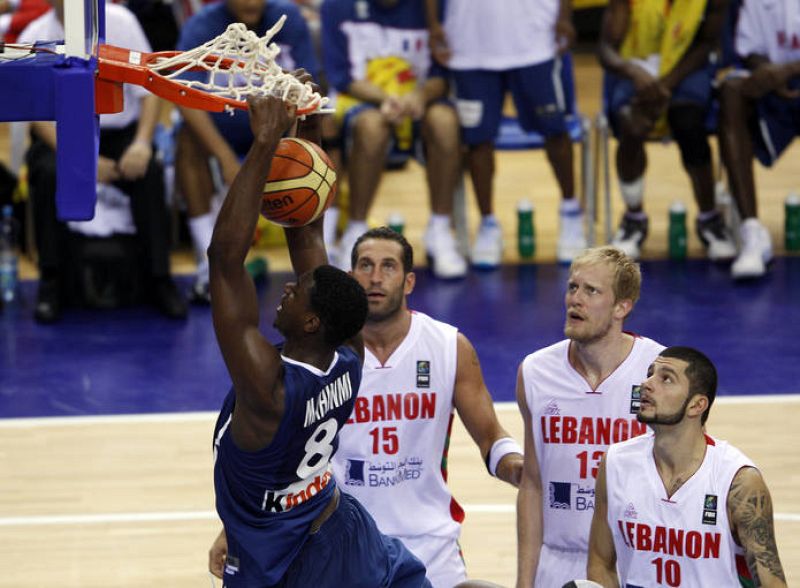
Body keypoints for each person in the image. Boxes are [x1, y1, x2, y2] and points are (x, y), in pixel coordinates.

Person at [206, 92, 430, 587]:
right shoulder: (347, 354)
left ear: (311, 323)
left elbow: (224, 261)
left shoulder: (267, 386)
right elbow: (307, 237)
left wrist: (265, 143)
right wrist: (305, 126)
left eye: (297, 293)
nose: (288, 288)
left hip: (283, 558)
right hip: (340, 525)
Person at [332, 226, 524, 587]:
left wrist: (515, 466)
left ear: (408, 282)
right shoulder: (326, 353)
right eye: (365, 265)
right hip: (345, 542)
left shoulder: (449, 346)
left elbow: (491, 436)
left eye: (388, 267)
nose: (375, 277)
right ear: (349, 277)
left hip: (430, 544)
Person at [20, 0, 186, 323]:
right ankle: (50, 280)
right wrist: (80, 158)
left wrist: (142, 143)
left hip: (120, 131)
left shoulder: (121, 21)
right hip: (62, 135)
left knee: (148, 171)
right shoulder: (35, 34)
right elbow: (34, 113)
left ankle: (159, 278)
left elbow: (149, 89)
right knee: (48, 174)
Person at [516, 246, 664, 587]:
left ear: (621, 307)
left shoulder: (658, 370)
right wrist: (524, 582)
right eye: (572, 287)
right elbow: (533, 484)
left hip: (633, 563)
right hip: (557, 560)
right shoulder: (536, 371)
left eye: (591, 291)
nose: (575, 300)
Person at [587, 346, 787, 587]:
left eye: (666, 378)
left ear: (696, 405)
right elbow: (600, 561)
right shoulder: (616, 462)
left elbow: (772, 583)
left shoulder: (738, 481)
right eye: (650, 373)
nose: (647, 384)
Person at [175, 0, 319, 303]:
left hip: (280, 129)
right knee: (186, 140)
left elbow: (310, 87)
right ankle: (205, 262)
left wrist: (292, 150)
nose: (251, 2)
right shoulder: (201, 26)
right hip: (224, 133)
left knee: (322, 135)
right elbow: (184, 97)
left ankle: (320, 263)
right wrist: (225, 158)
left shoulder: (288, 18)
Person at [425, 0, 587, 266]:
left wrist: (566, 16)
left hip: (535, 39)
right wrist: (433, 24)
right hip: (469, 42)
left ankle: (571, 213)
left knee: (556, 132)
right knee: (478, 142)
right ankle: (488, 225)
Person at [320, 0, 465, 279]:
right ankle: (356, 229)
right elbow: (342, 77)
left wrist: (418, 97)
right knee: (373, 126)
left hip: (419, 100)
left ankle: (440, 229)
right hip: (362, 100)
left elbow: (442, 76)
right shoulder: (336, 6)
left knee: (445, 122)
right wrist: (387, 99)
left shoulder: (435, 8)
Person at [598, 0, 737, 262]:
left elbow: (708, 43)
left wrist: (666, 84)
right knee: (631, 123)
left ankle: (709, 219)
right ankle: (633, 219)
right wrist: (634, 72)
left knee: (688, 121)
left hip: (687, 66)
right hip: (636, 67)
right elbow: (606, 50)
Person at [717, 0, 800, 279]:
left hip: (787, 74)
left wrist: (788, 70)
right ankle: (752, 233)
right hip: (771, 83)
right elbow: (748, 49)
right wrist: (769, 73)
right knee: (732, 92)